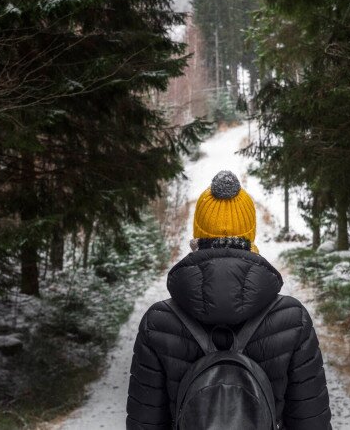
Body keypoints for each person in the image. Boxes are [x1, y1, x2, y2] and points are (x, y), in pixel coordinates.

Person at [126, 170, 332, 430]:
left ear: (197, 235)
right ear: (250, 234)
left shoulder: (158, 322)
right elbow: (311, 423)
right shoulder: (293, 319)